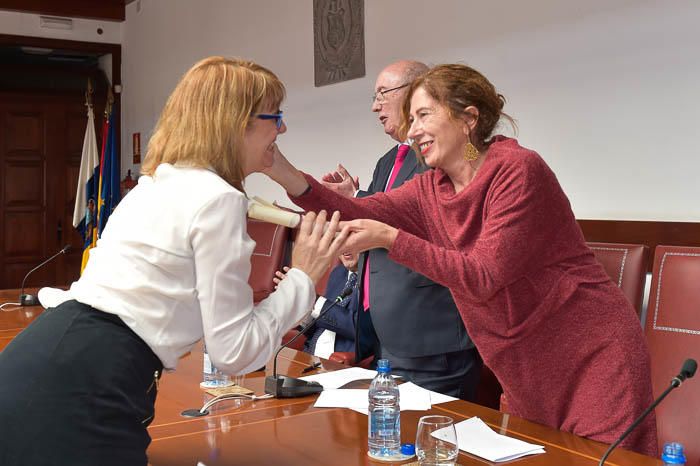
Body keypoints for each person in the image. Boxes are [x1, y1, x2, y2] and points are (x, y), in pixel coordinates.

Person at [262, 63, 658, 456]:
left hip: (588, 353)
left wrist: (391, 238)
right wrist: (277, 168)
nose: (412, 130)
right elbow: (353, 209)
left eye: (423, 115)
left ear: (469, 118)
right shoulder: (431, 188)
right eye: (410, 118)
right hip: (523, 365)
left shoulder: (517, 171)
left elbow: (485, 274)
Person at [0, 57, 348, 466]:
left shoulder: (161, 180)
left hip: (51, 360)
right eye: (276, 116)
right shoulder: (218, 199)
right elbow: (234, 352)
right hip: (86, 386)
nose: (283, 128)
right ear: (237, 123)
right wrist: (304, 275)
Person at [319, 60, 481, 400]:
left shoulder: (446, 153)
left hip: (431, 338)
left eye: (382, 94)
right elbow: (386, 219)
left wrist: (359, 199)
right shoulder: (387, 161)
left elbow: (430, 220)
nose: (375, 106)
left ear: (416, 92)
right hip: (385, 335)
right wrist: (355, 254)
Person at [275, 252, 361, 358]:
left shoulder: (378, 278)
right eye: (339, 239)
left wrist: (312, 299)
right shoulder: (338, 273)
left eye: (351, 237)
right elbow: (326, 323)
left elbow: (364, 330)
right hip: (310, 356)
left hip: (341, 363)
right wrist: (302, 309)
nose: (345, 247)